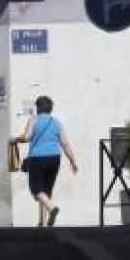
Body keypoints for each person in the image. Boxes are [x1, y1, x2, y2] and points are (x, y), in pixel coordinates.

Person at [15, 95, 79, 227]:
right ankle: (42, 223)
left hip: (38, 158)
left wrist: (16, 139)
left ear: (38, 108)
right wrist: (72, 161)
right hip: (55, 158)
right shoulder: (56, 123)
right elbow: (65, 144)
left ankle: (52, 208)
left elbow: (26, 137)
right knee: (46, 191)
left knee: (36, 189)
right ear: (51, 109)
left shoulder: (34, 120)